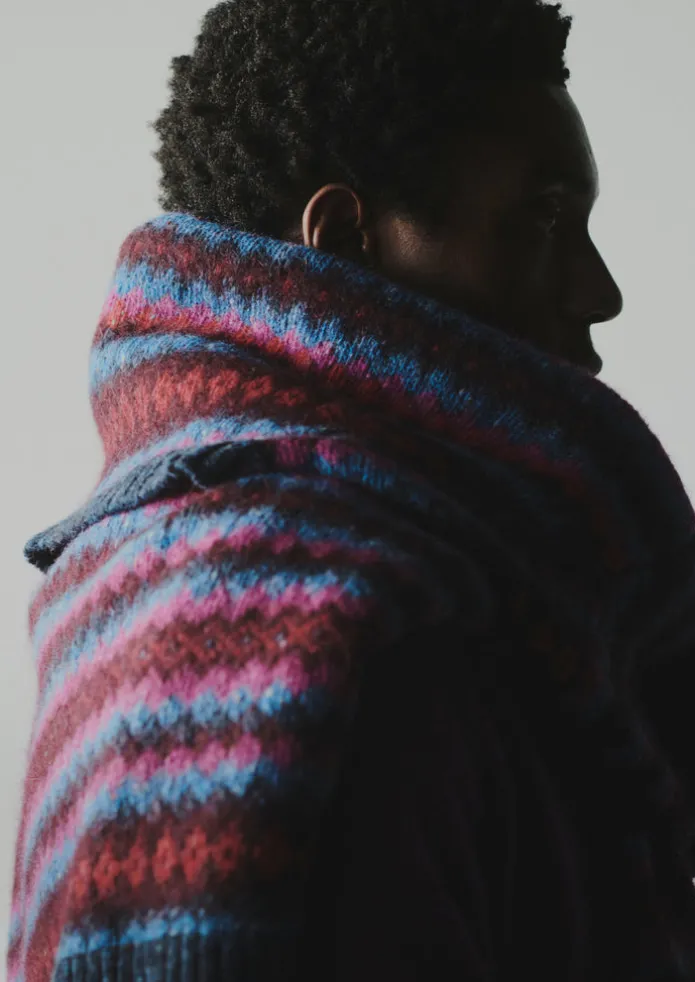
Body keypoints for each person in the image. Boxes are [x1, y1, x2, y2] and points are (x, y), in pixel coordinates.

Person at [9, 1, 695, 980]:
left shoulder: (128, 583)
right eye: (542, 218)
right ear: (340, 238)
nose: (599, 291)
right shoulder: (353, 632)